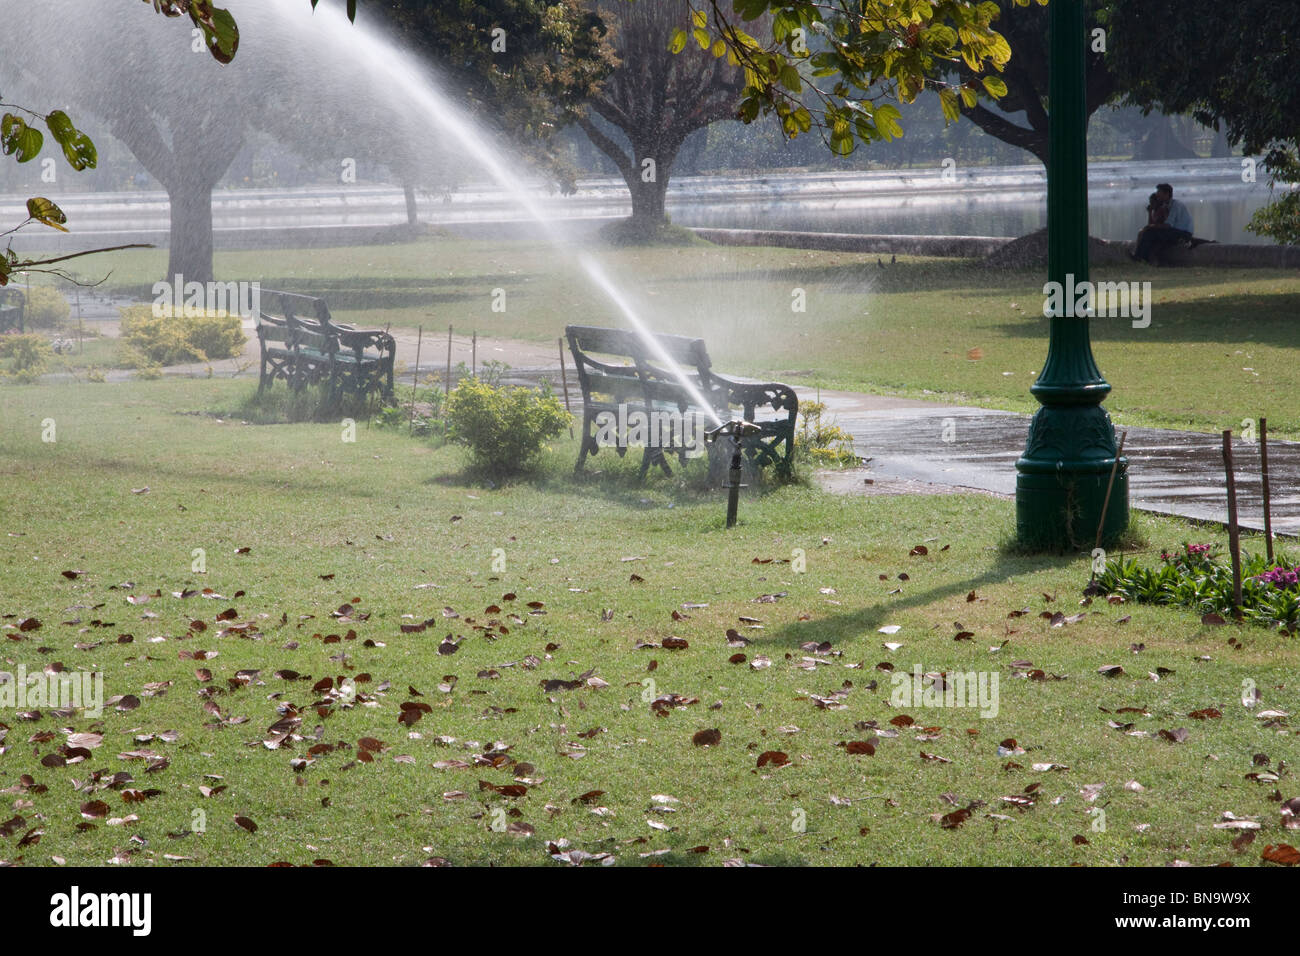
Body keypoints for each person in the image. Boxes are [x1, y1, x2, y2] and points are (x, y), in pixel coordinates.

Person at [1133, 183, 1192, 263]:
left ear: (1166, 194)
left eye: (1159, 192)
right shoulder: (1166, 206)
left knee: (1150, 232)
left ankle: (1140, 257)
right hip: (1175, 231)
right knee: (1151, 233)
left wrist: (1151, 226)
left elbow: (1168, 225)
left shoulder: (1175, 205)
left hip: (1183, 234)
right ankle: (1143, 258)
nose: (1157, 194)